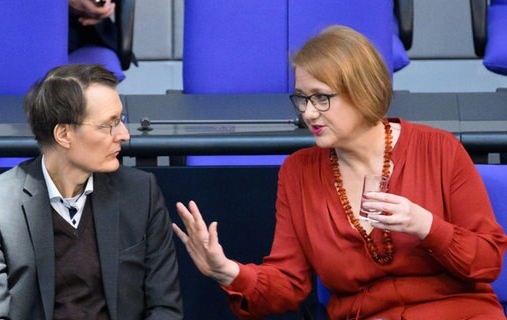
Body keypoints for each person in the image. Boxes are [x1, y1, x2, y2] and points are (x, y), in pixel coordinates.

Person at [173, 26, 507, 319]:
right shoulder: (299, 172)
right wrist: (227, 271)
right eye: (302, 99)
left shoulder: (439, 149)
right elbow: (288, 285)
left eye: (321, 98)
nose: (309, 113)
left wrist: (428, 226)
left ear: (363, 91)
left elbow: (487, 263)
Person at [0, 64, 183, 320]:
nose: (124, 134)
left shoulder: (141, 193)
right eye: (108, 125)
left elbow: (165, 309)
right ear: (64, 134)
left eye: (120, 120)